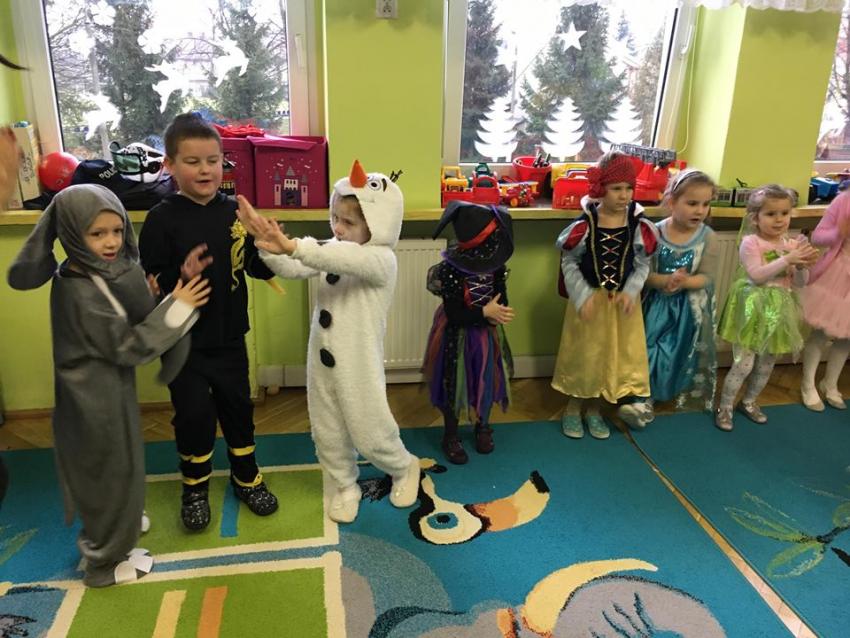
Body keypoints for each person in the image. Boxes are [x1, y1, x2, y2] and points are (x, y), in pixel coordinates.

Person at [6, 184, 210, 586]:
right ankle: (104, 562)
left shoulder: (85, 273)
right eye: (97, 233)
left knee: (119, 464)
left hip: (105, 390)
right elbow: (129, 346)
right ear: (70, 233)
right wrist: (179, 307)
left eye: (117, 230)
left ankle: (122, 524)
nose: (112, 242)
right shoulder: (80, 290)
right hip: (93, 400)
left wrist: (158, 292)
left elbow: (120, 309)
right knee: (108, 472)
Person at [235, 160, 421, 524]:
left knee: (369, 428)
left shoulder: (381, 260)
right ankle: (345, 484)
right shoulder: (334, 247)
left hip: (358, 363)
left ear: (377, 224)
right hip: (320, 359)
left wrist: (292, 245)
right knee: (328, 429)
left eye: (348, 222)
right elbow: (295, 267)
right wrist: (269, 248)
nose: (337, 227)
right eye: (335, 217)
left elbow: (338, 257)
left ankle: (403, 466)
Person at [138, 113, 279, 531]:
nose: (205, 170)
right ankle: (195, 487)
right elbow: (151, 282)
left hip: (230, 337)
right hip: (183, 345)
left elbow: (256, 267)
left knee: (238, 409)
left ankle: (247, 478)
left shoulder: (235, 212)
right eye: (193, 161)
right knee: (193, 416)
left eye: (213, 161)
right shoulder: (161, 218)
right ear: (170, 165)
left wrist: (270, 246)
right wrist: (180, 276)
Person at [552, 151, 658, 440]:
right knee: (585, 355)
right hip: (590, 302)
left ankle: (595, 408)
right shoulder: (586, 223)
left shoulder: (638, 224)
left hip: (622, 305)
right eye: (616, 188)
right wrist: (582, 295)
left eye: (629, 188)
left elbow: (643, 264)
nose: (624, 195)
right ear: (601, 188)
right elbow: (569, 262)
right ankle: (574, 406)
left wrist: (631, 291)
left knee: (612, 356)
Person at [618, 169, 719, 428]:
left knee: (671, 354)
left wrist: (685, 282)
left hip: (686, 310)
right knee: (647, 349)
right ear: (672, 202)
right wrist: (665, 280)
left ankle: (649, 400)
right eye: (692, 203)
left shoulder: (708, 237)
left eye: (705, 204)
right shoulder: (654, 232)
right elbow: (643, 273)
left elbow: (707, 276)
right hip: (654, 305)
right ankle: (641, 399)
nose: (700, 211)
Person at [715, 185, 819, 430]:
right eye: (771, 214)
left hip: (779, 310)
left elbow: (800, 282)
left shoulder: (792, 244)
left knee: (766, 364)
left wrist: (801, 266)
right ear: (755, 218)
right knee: (744, 364)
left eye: (785, 213)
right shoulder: (751, 242)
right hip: (752, 308)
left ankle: (749, 401)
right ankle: (725, 407)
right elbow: (757, 275)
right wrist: (787, 259)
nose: (779, 219)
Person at [422, 201, 515, 464]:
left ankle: (483, 426)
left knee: (485, 380)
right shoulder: (451, 269)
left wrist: (499, 311)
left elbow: (500, 295)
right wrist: (485, 312)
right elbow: (454, 314)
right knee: (454, 384)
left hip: (485, 336)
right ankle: (450, 435)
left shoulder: (495, 265)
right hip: (456, 336)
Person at [800, 189, 850, 411]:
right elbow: (818, 237)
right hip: (836, 274)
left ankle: (830, 384)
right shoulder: (844, 200)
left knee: (846, 337)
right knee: (820, 331)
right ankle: (807, 384)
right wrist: (839, 232)